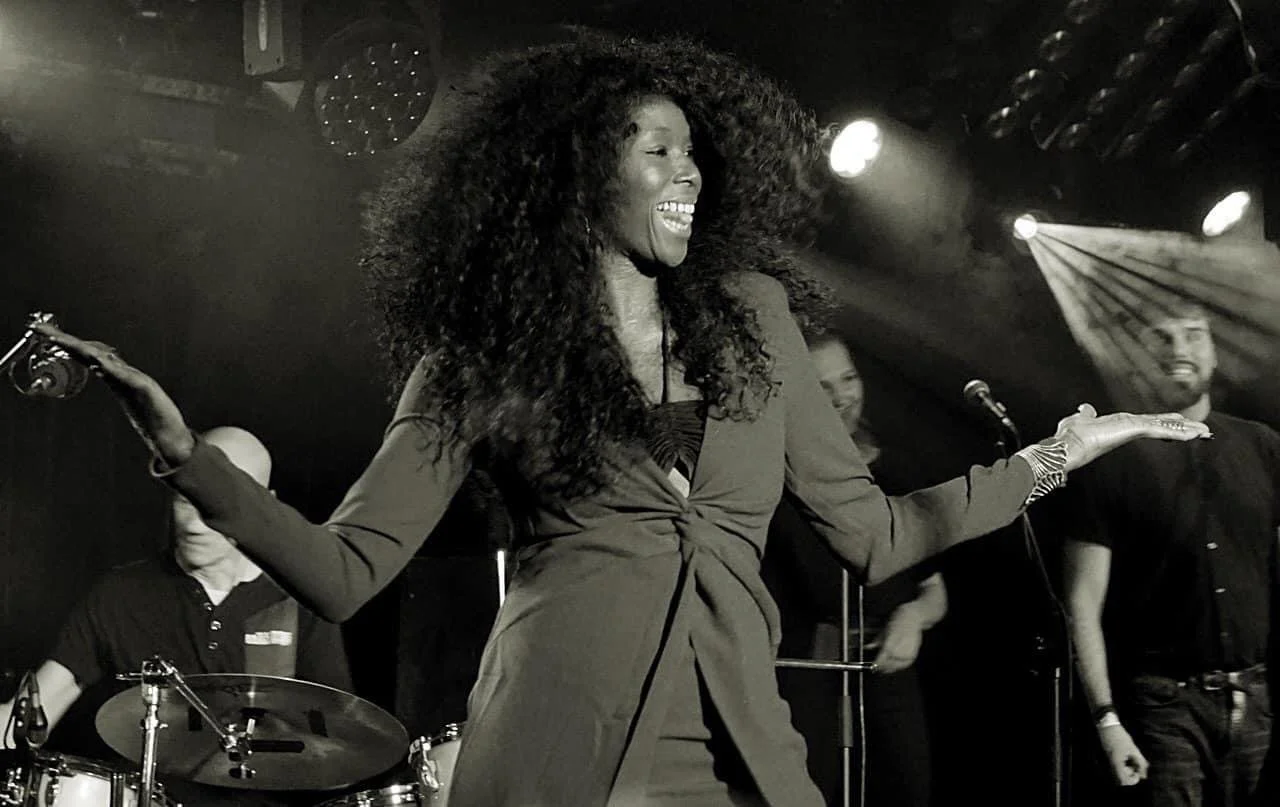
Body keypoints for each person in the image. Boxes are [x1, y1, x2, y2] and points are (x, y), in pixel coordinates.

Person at [33, 34, 1210, 807]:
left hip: (740, 755)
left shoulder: (754, 323)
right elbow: (347, 570)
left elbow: (876, 535)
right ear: (582, 175)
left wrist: (1051, 456)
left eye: (694, 151)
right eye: (658, 150)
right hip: (554, 752)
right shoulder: (484, 353)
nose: (689, 170)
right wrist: (187, 460)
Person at [0, 426, 352, 755]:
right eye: (185, 500)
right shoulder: (121, 596)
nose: (193, 525)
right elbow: (21, 723)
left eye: (214, 505)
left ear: (263, 506)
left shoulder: (301, 600)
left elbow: (339, 745)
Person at [1064, 300, 1279, 807]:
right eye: (1161, 336)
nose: (1179, 348)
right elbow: (1081, 602)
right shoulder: (1110, 458)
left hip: (1257, 699)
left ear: (1214, 352)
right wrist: (1107, 719)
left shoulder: (1263, 446)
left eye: (1192, 333)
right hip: (1163, 706)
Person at [764, 333, 946, 806]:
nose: (842, 395)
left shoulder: (895, 472)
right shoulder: (774, 477)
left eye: (848, 379)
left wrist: (911, 617)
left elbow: (934, 591)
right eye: (823, 386)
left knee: (906, 790)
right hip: (808, 674)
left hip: (887, 673)